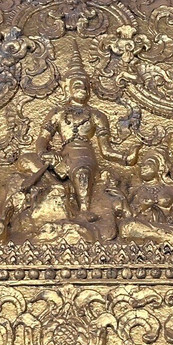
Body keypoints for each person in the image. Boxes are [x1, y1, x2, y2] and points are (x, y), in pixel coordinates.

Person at [35, 45, 136, 221]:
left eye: (84, 85)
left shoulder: (97, 115)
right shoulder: (57, 113)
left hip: (84, 154)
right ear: (67, 89)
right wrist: (44, 153)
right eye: (77, 85)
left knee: (82, 171)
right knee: (27, 162)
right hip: (62, 155)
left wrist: (126, 158)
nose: (81, 88)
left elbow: (105, 150)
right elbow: (43, 138)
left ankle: (83, 210)